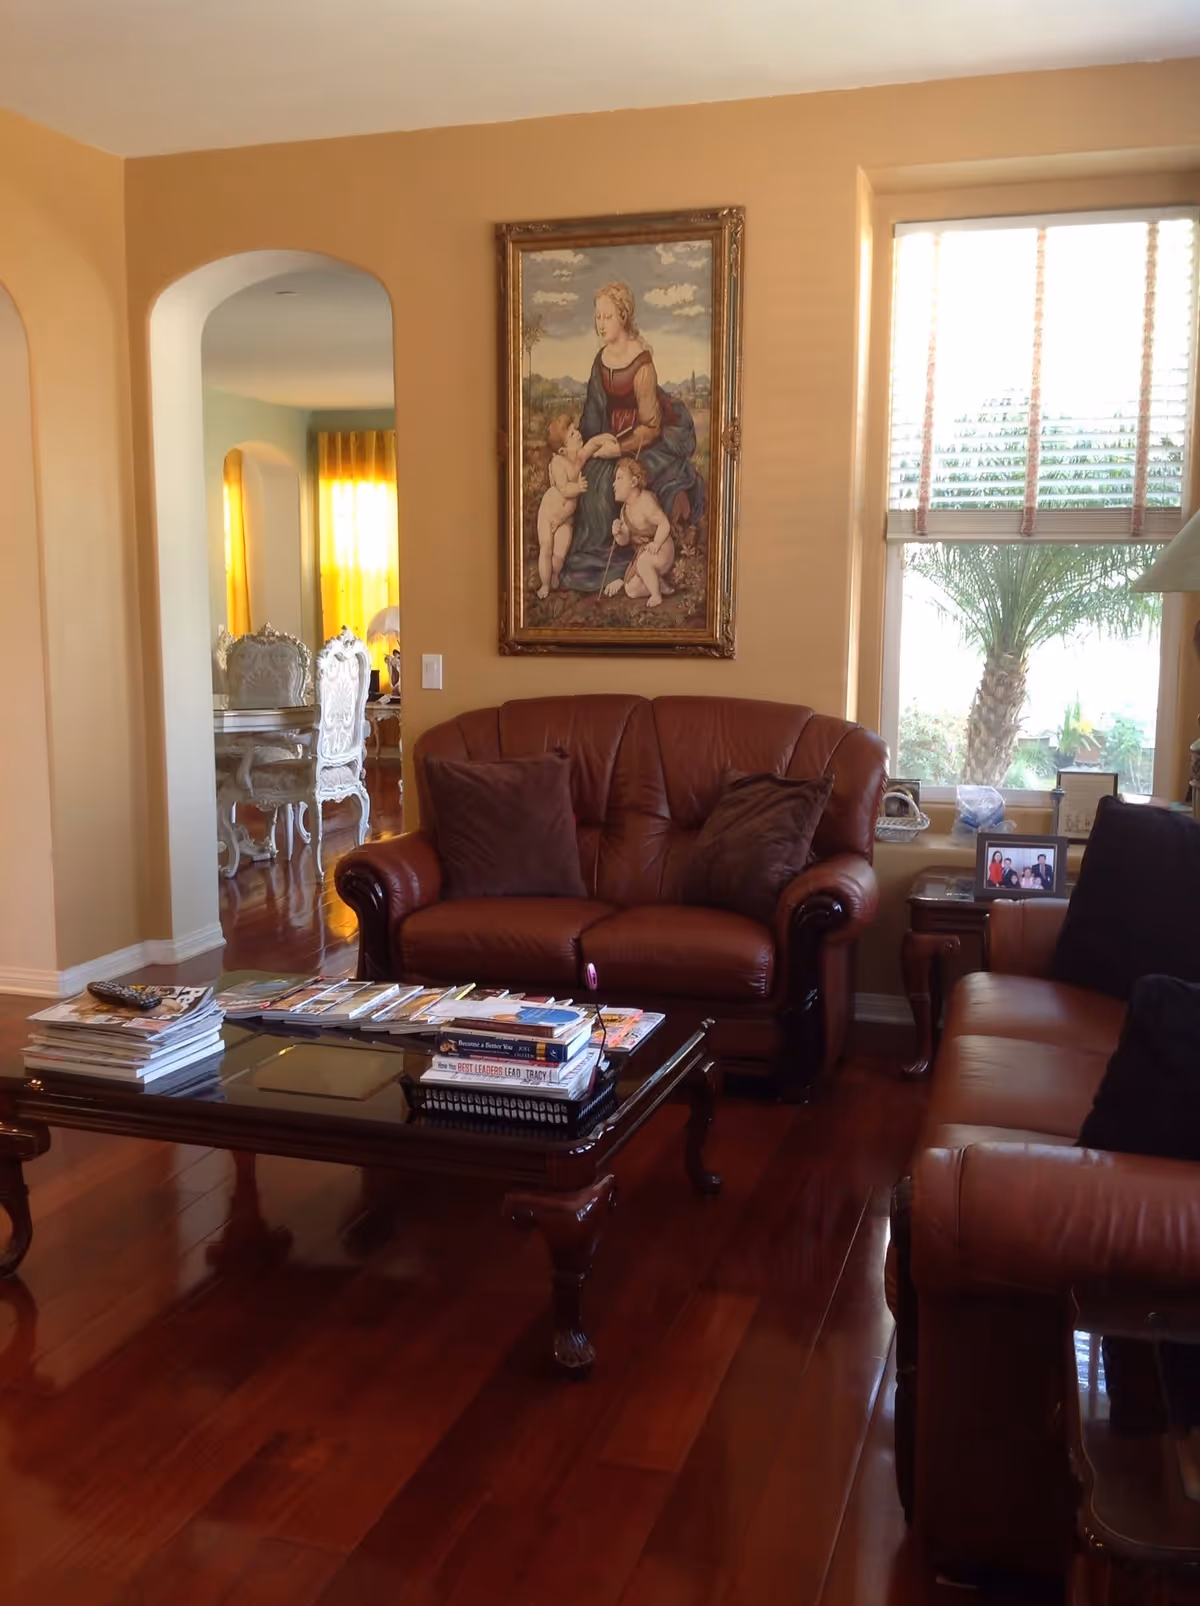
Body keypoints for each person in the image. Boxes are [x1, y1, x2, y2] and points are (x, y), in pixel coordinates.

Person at [557, 281, 706, 592]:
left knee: (619, 482)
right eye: (597, 317)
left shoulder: (641, 362)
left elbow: (651, 425)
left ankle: (628, 563)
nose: (600, 324)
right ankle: (588, 556)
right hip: (608, 438)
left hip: (642, 441)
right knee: (593, 478)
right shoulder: (601, 360)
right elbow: (593, 414)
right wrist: (588, 446)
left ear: (623, 317)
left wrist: (618, 449)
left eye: (607, 317)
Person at [534, 415, 602, 599]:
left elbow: (593, 446)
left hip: (566, 519)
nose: (578, 433)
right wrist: (578, 488)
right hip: (549, 514)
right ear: (563, 450)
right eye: (573, 434)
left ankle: (554, 574)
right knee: (546, 547)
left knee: (560, 553)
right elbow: (564, 489)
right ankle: (545, 585)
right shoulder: (558, 463)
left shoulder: (577, 459)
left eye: (575, 429)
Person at [602, 459, 675, 608]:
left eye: (619, 478)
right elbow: (624, 541)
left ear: (634, 481)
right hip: (645, 554)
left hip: (663, 548)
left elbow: (664, 524)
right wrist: (618, 532)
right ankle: (658, 583)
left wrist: (656, 543)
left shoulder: (646, 501)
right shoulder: (625, 511)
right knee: (631, 590)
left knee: (643, 562)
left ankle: (656, 595)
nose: (614, 484)